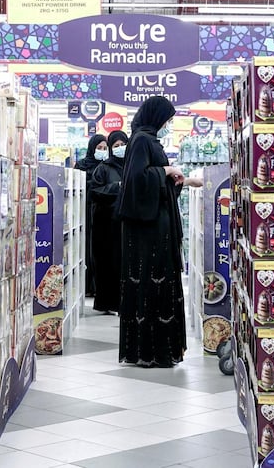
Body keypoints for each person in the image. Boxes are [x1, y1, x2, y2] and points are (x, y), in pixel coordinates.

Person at [116, 96, 202, 367]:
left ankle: (159, 350)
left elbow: (152, 182)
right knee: (151, 284)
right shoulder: (141, 140)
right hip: (147, 234)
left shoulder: (148, 140)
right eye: (167, 119)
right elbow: (136, 183)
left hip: (155, 228)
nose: (168, 124)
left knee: (160, 284)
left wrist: (180, 180)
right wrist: (165, 169)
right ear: (156, 116)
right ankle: (150, 352)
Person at [90, 130, 129, 314]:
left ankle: (124, 302)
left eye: (123, 145)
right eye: (116, 146)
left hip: (127, 222)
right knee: (108, 264)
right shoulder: (103, 168)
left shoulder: (132, 166)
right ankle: (108, 303)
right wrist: (117, 187)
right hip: (106, 225)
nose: (120, 149)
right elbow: (95, 191)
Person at [74, 134, 107, 298]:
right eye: (99, 148)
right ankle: (85, 285)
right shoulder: (81, 165)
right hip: (82, 212)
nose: (102, 151)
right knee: (83, 247)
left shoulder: (107, 167)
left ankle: (97, 286)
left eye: (104, 148)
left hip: (100, 213)